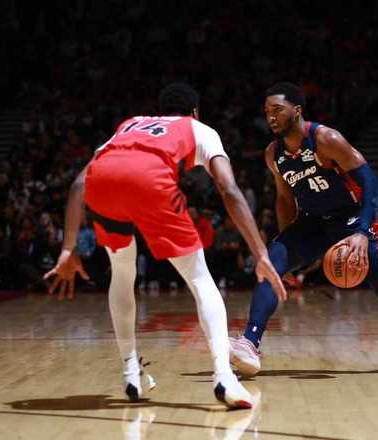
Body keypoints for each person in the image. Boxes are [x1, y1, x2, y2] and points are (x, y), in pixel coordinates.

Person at [42, 82, 286, 409]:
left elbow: (77, 185)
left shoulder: (130, 125)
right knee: (200, 279)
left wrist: (67, 249)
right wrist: (261, 253)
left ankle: (131, 371)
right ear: (195, 112)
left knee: (122, 274)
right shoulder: (199, 129)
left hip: (102, 184)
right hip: (150, 180)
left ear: (159, 113)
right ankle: (224, 378)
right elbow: (228, 189)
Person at [229, 82, 378, 376]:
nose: (271, 117)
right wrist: (288, 249)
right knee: (270, 264)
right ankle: (250, 342)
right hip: (312, 222)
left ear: (297, 111)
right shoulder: (273, 154)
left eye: (278, 110)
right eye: (267, 111)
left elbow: (370, 184)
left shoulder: (326, 139)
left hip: (352, 222)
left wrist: (362, 231)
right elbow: (284, 198)